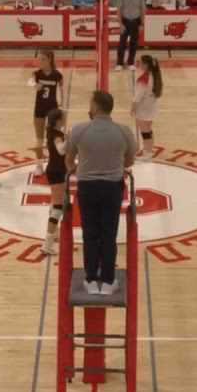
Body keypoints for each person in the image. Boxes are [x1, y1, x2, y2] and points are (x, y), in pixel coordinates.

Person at [64, 91, 138, 295]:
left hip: (87, 188)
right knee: (108, 234)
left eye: (90, 105)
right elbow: (130, 160)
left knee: (89, 233)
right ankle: (107, 280)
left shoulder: (79, 129)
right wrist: (116, 166)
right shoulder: (124, 131)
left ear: (96, 108)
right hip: (112, 188)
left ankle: (90, 279)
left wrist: (78, 169)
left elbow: (69, 159)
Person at [40, 108, 69, 257]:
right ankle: (47, 243)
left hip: (55, 170)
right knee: (58, 207)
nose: (65, 119)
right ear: (58, 121)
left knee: (55, 203)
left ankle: (54, 234)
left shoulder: (52, 132)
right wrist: (69, 140)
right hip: (57, 171)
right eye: (63, 117)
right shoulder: (57, 135)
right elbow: (61, 150)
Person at [30, 49, 63, 176]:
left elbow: (62, 89)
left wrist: (62, 105)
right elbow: (30, 80)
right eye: (39, 60)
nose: (40, 62)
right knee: (39, 138)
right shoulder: (37, 74)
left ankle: (53, 162)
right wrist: (34, 85)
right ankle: (38, 165)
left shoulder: (57, 75)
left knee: (52, 137)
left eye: (43, 59)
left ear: (50, 59)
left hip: (52, 109)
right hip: (39, 108)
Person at [130, 54, 163, 160]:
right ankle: (150, 149)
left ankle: (148, 153)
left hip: (143, 109)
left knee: (145, 132)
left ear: (145, 65)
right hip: (151, 108)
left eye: (140, 62)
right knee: (148, 129)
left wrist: (133, 108)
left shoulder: (144, 78)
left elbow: (138, 96)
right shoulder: (155, 75)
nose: (139, 63)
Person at [112, 0, 145, 71]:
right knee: (122, 43)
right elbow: (119, 11)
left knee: (134, 44)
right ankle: (119, 63)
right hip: (125, 21)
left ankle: (131, 63)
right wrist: (120, 24)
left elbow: (142, 11)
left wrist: (142, 24)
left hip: (136, 21)